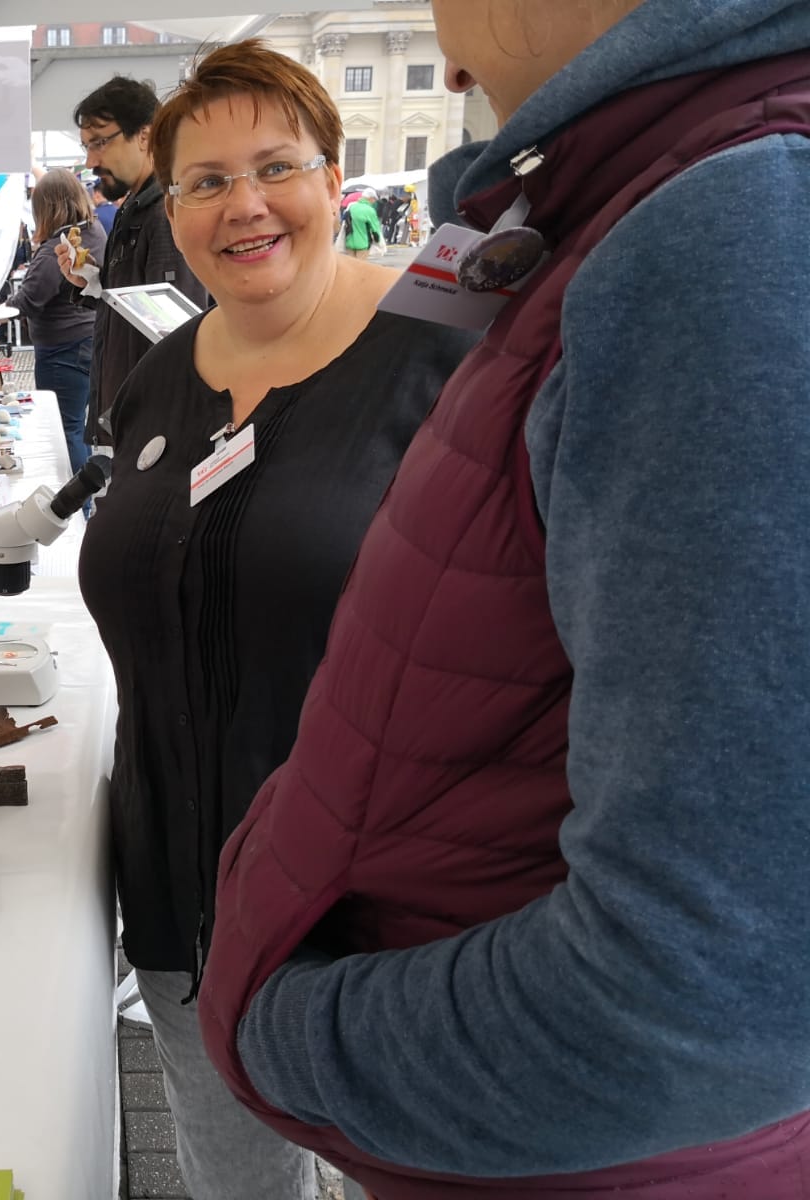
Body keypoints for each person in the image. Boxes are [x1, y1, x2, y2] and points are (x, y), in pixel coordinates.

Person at [198, 2, 810, 1197]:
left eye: (275, 167)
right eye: (203, 180)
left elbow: (711, 996)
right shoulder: (637, 208)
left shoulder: (736, 222)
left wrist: (284, 1038)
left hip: (564, 1148)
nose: (450, 45)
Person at [77, 43, 477, 1200]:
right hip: (180, 887)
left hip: (381, 910)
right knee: (234, 1182)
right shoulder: (158, 382)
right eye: (204, 181)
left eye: (274, 168)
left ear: (333, 177)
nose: (242, 206)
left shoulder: (446, 351)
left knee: (405, 1176)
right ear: (172, 205)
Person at [55, 76, 208, 447]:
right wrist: (89, 281)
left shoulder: (165, 215)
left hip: (150, 438)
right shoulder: (135, 209)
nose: (91, 160)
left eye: (100, 143)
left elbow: (176, 335)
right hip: (128, 428)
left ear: (145, 135)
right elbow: (138, 307)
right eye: (87, 146)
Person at [6, 170, 106, 478]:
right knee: (76, 427)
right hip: (88, 341)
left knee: (65, 431)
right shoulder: (94, 231)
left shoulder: (57, 247)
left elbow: (29, 298)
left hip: (62, 350)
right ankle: (83, 500)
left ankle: (77, 506)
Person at [342, 187, 381, 258]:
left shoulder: (352, 207)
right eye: (374, 199)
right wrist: (378, 240)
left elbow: (344, 220)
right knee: (360, 267)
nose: (374, 201)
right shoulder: (370, 210)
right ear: (370, 198)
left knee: (351, 266)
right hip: (363, 243)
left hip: (349, 242)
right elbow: (375, 229)